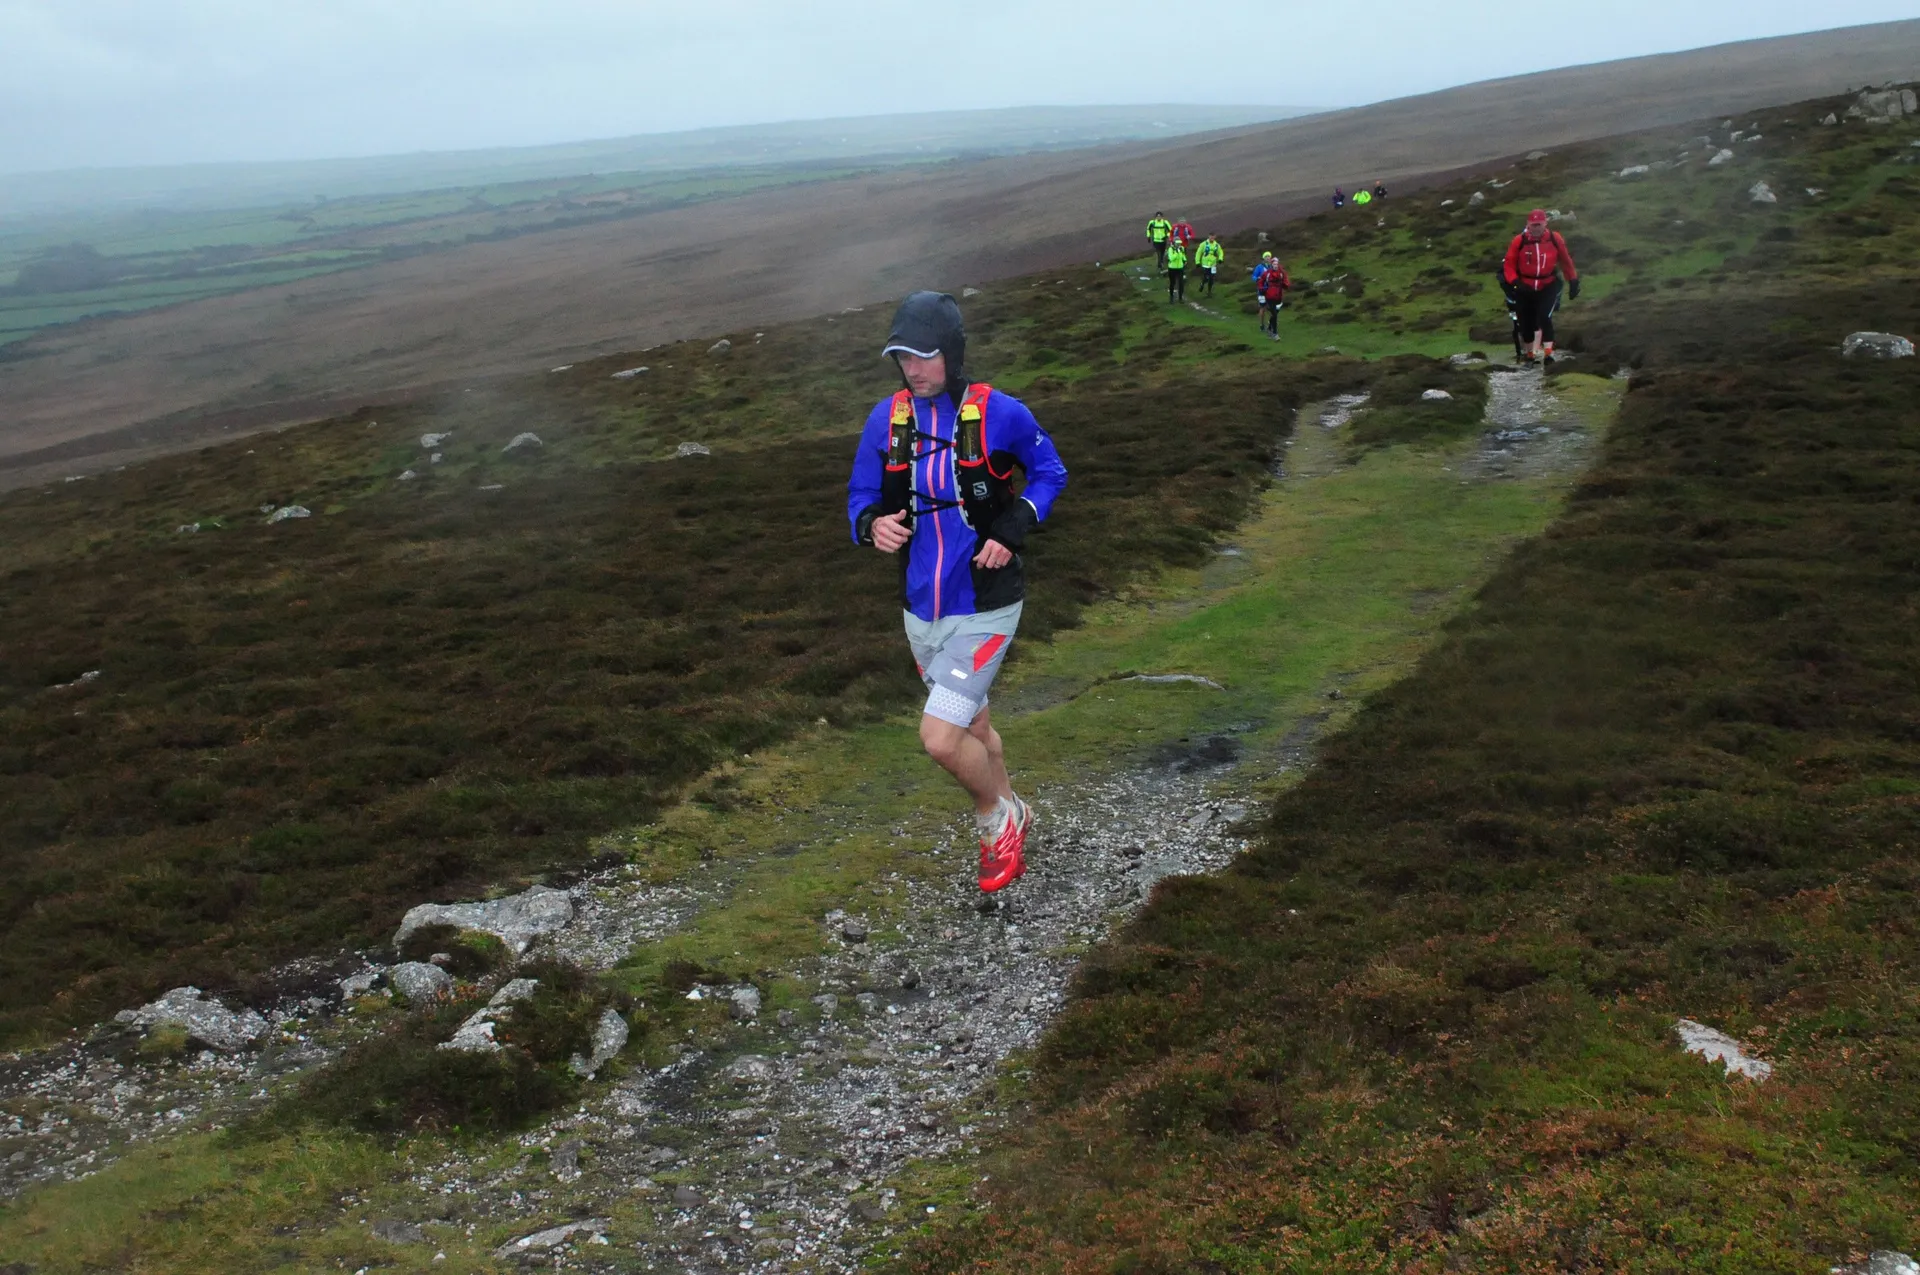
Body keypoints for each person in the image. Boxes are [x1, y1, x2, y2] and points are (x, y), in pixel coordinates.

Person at [848, 292, 1069, 893]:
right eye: (902, 358)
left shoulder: (999, 412)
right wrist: (873, 525)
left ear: (951, 353)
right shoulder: (886, 418)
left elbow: (1051, 472)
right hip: (921, 606)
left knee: (940, 738)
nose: (913, 369)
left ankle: (995, 820)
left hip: (987, 602)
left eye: (923, 355)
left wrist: (1015, 524)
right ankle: (1014, 808)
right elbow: (861, 495)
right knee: (973, 729)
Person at [1501, 208, 1581, 364]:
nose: (1536, 228)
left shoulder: (1554, 239)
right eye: (1533, 225)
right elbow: (1509, 264)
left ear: (1545, 223)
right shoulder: (1519, 241)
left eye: (1539, 224)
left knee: (1545, 316)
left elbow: (1565, 260)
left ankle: (1548, 354)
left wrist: (1573, 280)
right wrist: (1515, 282)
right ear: (1528, 225)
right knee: (1526, 323)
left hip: (1547, 284)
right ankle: (1530, 354)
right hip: (1525, 287)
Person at [1257, 259, 1290, 337]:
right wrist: (1262, 289)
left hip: (1279, 296)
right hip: (1269, 296)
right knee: (1274, 314)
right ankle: (1275, 333)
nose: (1276, 265)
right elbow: (1261, 281)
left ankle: (1269, 327)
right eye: (1274, 264)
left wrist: (1286, 285)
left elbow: (1286, 281)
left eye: (1277, 264)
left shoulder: (1282, 273)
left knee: (1275, 313)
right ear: (1272, 265)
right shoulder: (1267, 273)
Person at [1164, 235, 1188, 302]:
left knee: (1181, 283)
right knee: (1172, 283)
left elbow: (1183, 255)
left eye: (1179, 243)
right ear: (1174, 243)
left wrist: (1185, 260)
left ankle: (1180, 298)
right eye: (1177, 243)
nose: (1179, 244)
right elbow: (1171, 258)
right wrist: (1177, 252)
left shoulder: (1181, 248)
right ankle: (1171, 297)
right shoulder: (1171, 249)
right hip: (1172, 269)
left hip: (1180, 268)